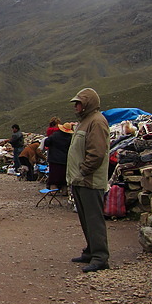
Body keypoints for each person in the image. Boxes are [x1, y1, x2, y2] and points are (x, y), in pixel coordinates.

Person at [67, 88, 111, 273]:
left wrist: (84, 170)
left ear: (87, 103)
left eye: (78, 103)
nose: (75, 107)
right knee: (86, 218)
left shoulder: (97, 122)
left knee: (94, 218)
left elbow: (97, 152)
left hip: (89, 180)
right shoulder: (85, 122)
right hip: (80, 179)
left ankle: (100, 257)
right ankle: (91, 251)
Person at [44, 122, 73, 191]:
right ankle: (64, 189)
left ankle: (53, 188)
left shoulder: (55, 135)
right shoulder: (70, 137)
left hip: (54, 158)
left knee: (54, 174)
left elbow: (47, 142)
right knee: (63, 175)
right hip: (65, 159)